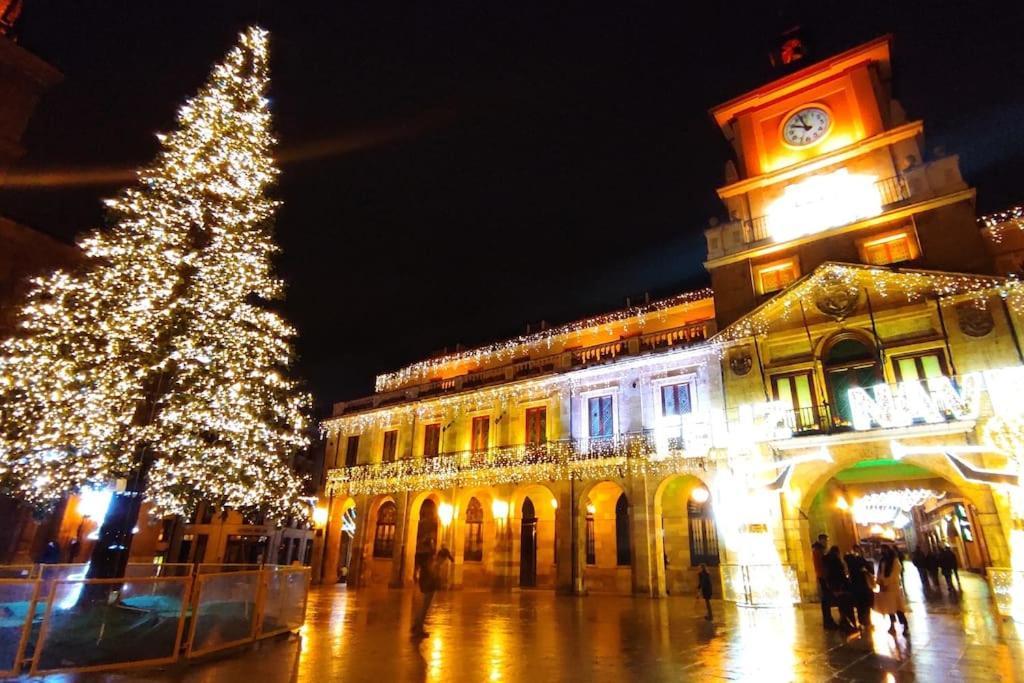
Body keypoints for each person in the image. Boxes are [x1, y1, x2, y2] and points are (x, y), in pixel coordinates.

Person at [410, 546, 453, 638]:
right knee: (424, 608)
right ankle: (418, 629)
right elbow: (433, 576)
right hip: (429, 587)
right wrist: (438, 582)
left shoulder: (432, 561)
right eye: (445, 559)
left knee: (423, 607)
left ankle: (416, 625)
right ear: (442, 557)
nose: (445, 561)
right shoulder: (435, 563)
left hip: (427, 586)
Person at [874, 545, 909, 636]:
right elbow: (880, 573)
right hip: (885, 589)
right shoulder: (883, 561)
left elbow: (894, 574)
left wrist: (886, 582)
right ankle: (892, 625)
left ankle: (905, 625)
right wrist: (879, 582)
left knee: (898, 608)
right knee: (890, 609)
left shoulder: (895, 561)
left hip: (893, 588)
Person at [823, 546, 857, 632]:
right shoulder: (836, 562)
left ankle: (844, 622)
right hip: (839, 587)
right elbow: (840, 574)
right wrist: (845, 584)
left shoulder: (827, 562)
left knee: (841, 605)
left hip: (834, 587)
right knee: (845, 605)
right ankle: (846, 623)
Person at [812, 533, 838, 630]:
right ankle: (828, 621)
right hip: (823, 577)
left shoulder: (819, 550)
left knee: (826, 600)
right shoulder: (818, 551)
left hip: (822, 577)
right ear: (821, 540)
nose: (827, 542)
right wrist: (825, 577)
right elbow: (820, 565)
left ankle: (828, 620)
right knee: (826, 600)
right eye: (825, 540)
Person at [844, 546, 874, 630]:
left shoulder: (849, 560)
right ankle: (867, 622)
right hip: (863, 585)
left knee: (859, 606)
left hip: (854, 586)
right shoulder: (861, 560)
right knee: (865, 605)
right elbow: (871, 569)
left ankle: (862, 622)